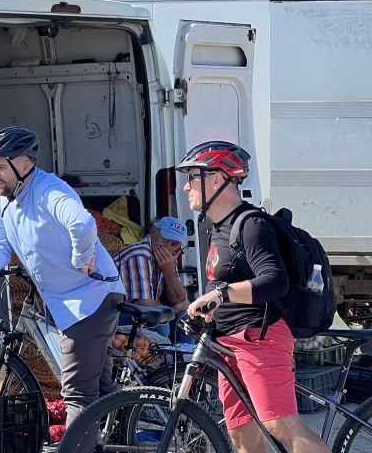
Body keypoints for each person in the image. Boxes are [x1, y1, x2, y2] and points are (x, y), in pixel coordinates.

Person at [182, 141, 329, 453]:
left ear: (217, 179)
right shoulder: (217, 228)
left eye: (192, 177)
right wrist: (210, 307)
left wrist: (222, 294)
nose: (185, 187)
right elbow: (228, 279)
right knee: (242, 437)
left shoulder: (251, 225)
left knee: (284, 429)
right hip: (229, 345)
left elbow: (275, 281)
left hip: (259, 341)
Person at [0, 126, 124, 426]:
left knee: (78, 395)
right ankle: (124, 438)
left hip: (88, 301)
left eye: (1, 167)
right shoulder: (3, 198)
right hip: (70, 302)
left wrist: (81, 259)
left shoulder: (49, 190)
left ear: (25, 164)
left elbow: (82, 224)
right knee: (103, 388)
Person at [113, 216, 190, 339]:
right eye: (166, 240)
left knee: (186, 320)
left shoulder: (168, 258)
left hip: (138, 313)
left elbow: (180, 299)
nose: (168, 248)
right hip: (113, 315)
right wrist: (175, 309)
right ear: (154, 232)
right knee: (159, 324)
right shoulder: (139, 254)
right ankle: (159, 359)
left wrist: (169, 271)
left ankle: (184, 358)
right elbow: (146, 305)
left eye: (175, 244)